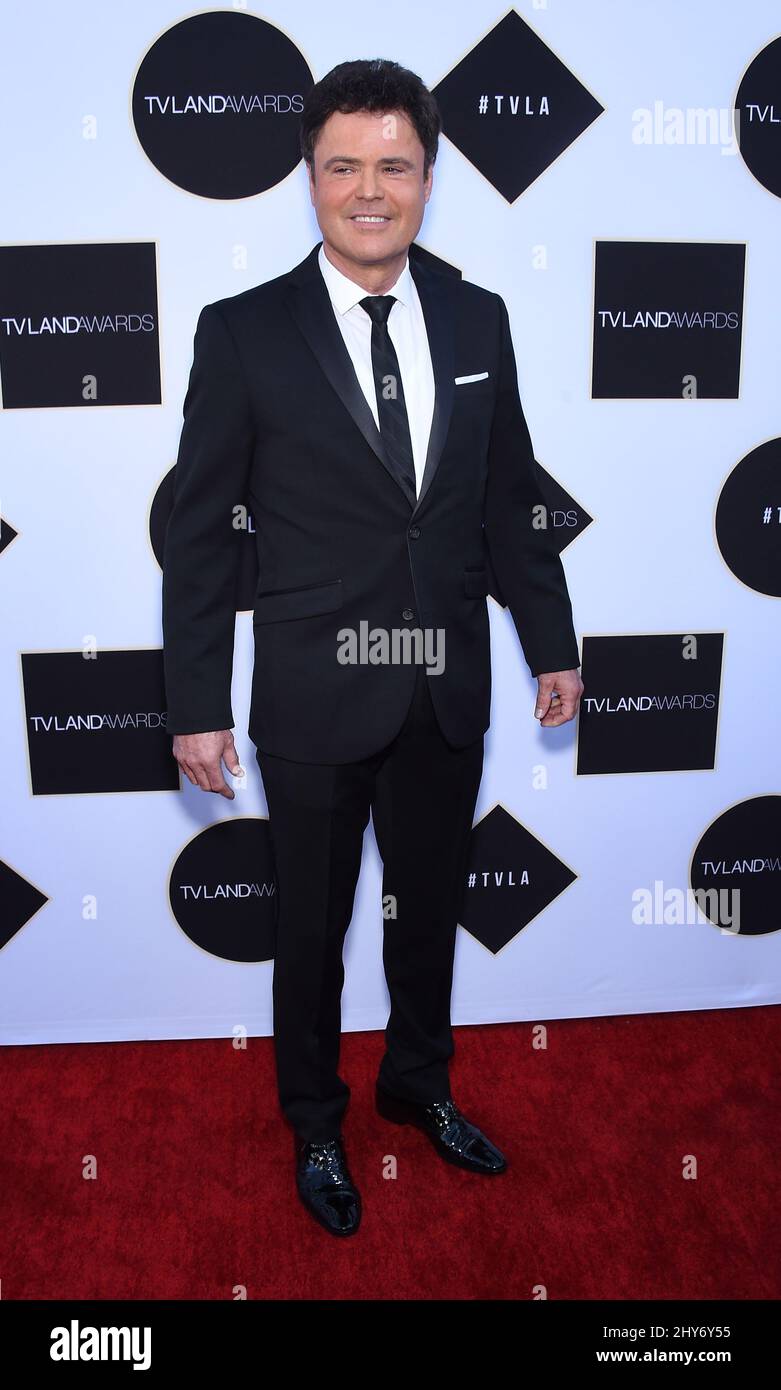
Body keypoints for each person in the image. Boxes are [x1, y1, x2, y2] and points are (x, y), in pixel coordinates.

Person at [162, 58, 583, 1238]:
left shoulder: (478, 316)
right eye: (342, 164)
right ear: (308, 177)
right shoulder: (241, 333)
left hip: (446, 684)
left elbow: (509, 503)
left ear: (428, 178)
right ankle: (313, 1119)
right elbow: (200, 538)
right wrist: (195, 698)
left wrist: (550, 639)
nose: (367, 188)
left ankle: (419, 1084)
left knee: (429, 907)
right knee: (310, 926)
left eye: (392, 165)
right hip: (310, 694)